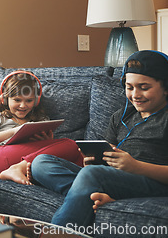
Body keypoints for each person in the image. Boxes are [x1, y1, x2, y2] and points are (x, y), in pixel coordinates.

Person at [30, 50, 168, 229]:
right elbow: (106, 156)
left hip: (153, 182)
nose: (135, 95)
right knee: (41, 163)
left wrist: (136, 166)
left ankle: (59, 231)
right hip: (115, 178)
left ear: (166, 87)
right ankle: (92, 191)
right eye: (129, 87)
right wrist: (93, 161)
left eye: (144, 87)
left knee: (91, 176)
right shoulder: (120, 117)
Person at [0, 71, 83, 185]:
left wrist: (47, 142)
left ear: (36, 101)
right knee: (70, 144)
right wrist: (13, 132)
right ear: (4, 99)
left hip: (28, 162)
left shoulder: (40, 120)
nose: (23, 105)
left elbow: (44, 153)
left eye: (29, 100)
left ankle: (84, 185)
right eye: (17, 100)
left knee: (75, 152)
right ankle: (17, 169)